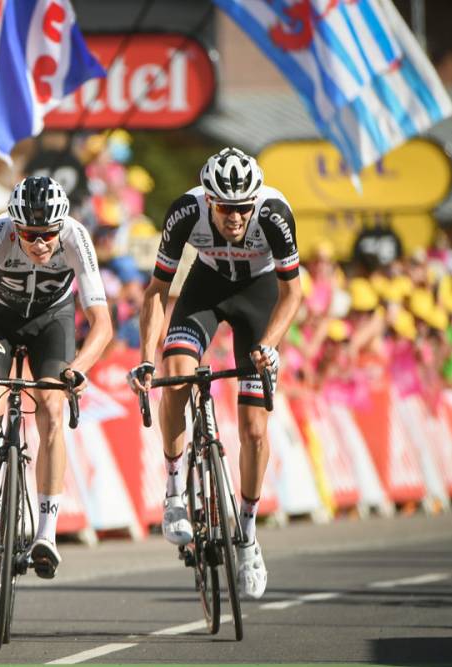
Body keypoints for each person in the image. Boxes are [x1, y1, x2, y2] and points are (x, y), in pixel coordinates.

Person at [128, 147, 303, 600]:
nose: (235, 216)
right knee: (178, 375)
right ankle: (172, 492)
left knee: (254, 429)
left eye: (243, 207)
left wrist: (268, 345)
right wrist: (147, 358)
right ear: (209, 201)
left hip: (258, 297)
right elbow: (156, 293)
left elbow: (292, 293)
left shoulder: (275, 214)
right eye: (225, 207)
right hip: (205, 290)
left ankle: (247, 534)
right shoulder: (186, 211)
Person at [0, 176, 112, 579]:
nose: (40, 243)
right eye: (30, 235)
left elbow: (101, 322)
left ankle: (46, 533)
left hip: (52, 322)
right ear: (16, 226)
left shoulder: (75, 236)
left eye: (48, 234)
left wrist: (80, 367)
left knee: (51, 408)